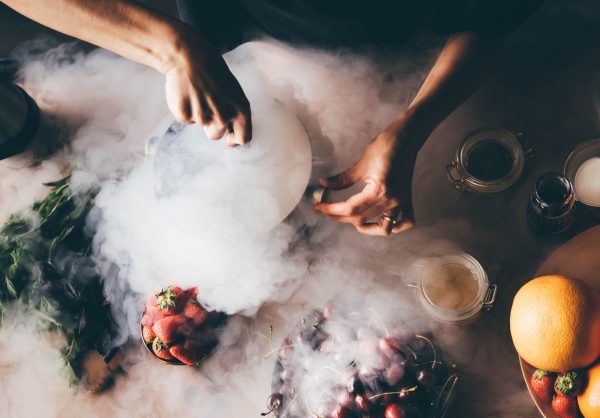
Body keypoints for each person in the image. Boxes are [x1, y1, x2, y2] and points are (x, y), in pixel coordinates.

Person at [2, 0, 542, 235]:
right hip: (223, 35)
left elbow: (490, 20)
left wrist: (412, 125)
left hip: (406, 53)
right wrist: (172, 47)